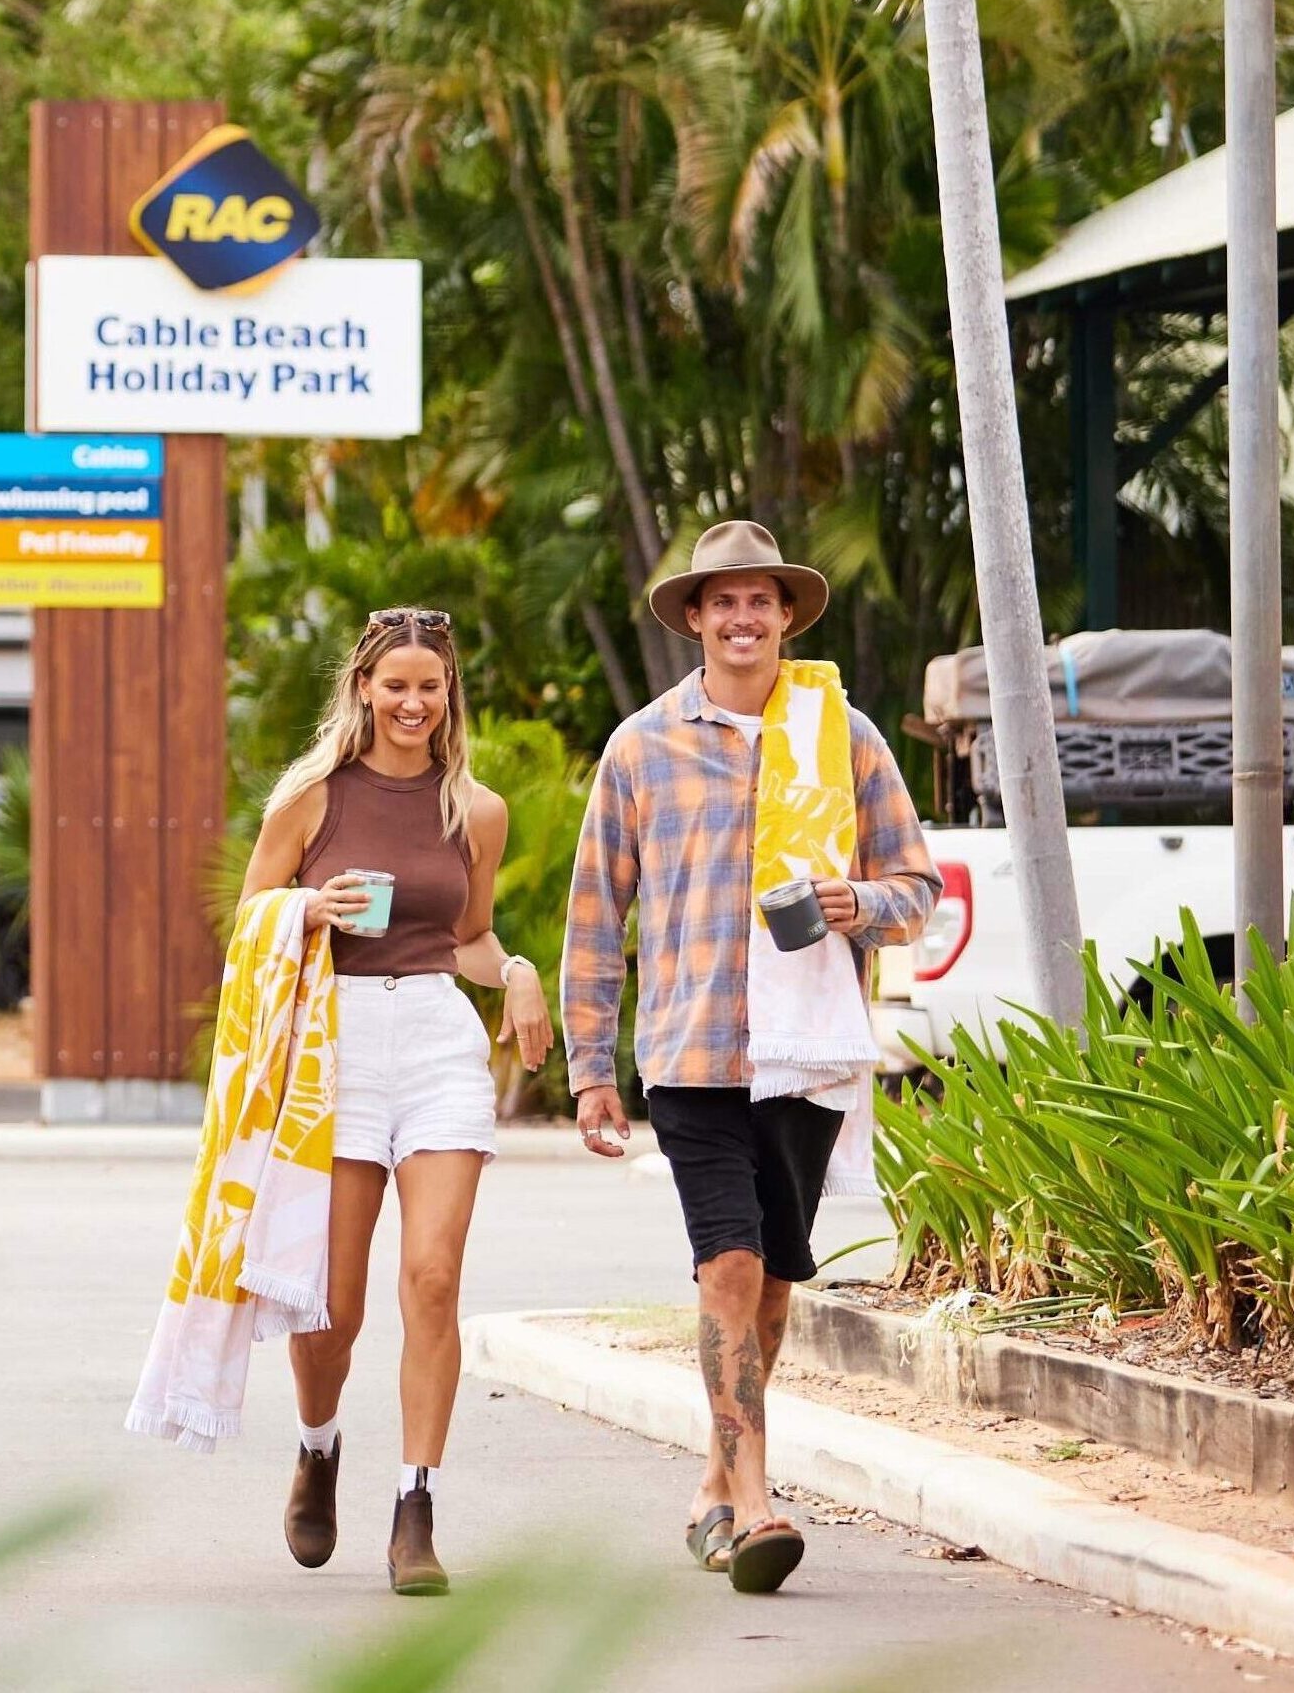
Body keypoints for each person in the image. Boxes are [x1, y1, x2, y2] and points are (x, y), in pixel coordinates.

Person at [560, 521, 938, 1595]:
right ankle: (760, 1500)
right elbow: (597, 913)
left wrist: (853, 902)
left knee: (771, 1288)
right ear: (692, 617)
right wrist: (592, 1065)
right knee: (724, 1268)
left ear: (783, 615)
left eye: (757, 601)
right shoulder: (638, 747)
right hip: (689, 1050)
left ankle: (714, 1483)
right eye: (718, 602)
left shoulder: (844, 737)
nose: (739, 619)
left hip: (804, 1052)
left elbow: (914, 890)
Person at [235, 606, 553, 1596]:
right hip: (333, 1045)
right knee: (330, 1305)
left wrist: (518, 972)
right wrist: (304, 910)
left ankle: (414, 1506)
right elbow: (245, 920)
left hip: (432, 1039)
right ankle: (317, 1443)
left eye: (430, 685)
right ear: (362, 688)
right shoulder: (311, 796)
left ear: (448, 693)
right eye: (395, 684)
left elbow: (466, 936)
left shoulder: (476, 810)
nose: (413, 702)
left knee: (431, 1274)